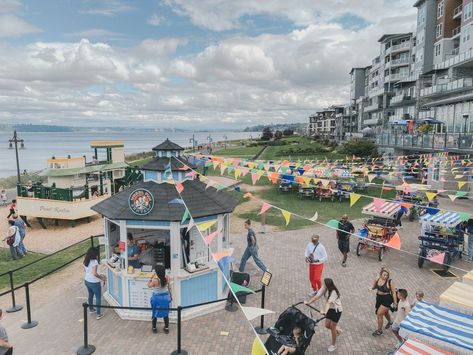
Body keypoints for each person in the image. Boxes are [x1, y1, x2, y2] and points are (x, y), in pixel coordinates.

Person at [305, 278, 343, 353]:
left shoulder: (334, 292)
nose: (323, 284)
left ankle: (333, 345)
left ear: (327, 285)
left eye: (324, 284)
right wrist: (309, 302)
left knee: (332, 328)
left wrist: (325, 311)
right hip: (330, 309)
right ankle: (338, 330)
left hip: (336, 311)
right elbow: (317, 296)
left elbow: (328, 303)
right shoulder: (324, 288)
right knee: (327, 325)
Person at [372, 268, 397, 336]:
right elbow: (374, 287)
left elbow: (394, 292)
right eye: (384, 275)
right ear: (380, 274)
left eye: (387, 275)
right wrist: (372, 286)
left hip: (387, 299)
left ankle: (379, 331)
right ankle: (390, 322)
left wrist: (395, 303)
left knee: (379, 314)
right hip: (379, 298)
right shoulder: (377, 278)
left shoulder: (390, 281)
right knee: (385, 312)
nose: (385, 276)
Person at [148, 264, 172, 334]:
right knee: (165, 313)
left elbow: (149, 285)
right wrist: (170, 296)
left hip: (156, 298)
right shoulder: (167, 277)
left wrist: (150, 278)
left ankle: (154, 328)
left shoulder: (155, 280)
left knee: (154, 312)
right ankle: (166, 328)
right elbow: (169, 287)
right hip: (165, 298)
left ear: (157, 272)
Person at [83, 247, 106, 320]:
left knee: (90, 295)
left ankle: (91, 309)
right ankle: (99, 314)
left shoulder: (85, 260)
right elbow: (95, 274)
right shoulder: (94, 262)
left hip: (87, 280)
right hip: (94, 282)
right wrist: (102, 278)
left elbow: (86, 270)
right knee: (98, 297)